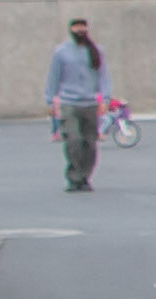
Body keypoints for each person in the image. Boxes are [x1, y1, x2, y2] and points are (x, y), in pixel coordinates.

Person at [46, 18, 112, 193]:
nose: (80, 30)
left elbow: (103, 76)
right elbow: (54, 77)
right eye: (76, 27)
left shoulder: (96, 51)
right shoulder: (61, 52)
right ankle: (74, 176)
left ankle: (85, 177)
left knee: (89, 143)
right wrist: (50, 100)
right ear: (71, 30)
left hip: (90, 103)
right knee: (74, 140)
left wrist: (105, 99)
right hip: (69, 103)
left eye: (83, 27)